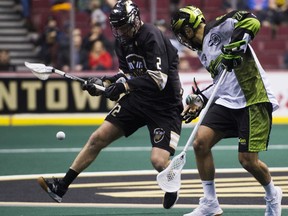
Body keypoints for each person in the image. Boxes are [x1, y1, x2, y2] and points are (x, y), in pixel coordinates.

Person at [37, 0, 183, 209]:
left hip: (165, 105)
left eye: (123, 26)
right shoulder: (122, 41)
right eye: (116, 27)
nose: (119, 31)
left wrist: (123, 87)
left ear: (134, 21)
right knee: (97, 138)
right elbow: (128, 74)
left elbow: (159, 79)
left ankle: (171, 182)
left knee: (159, 161)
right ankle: (61, 187)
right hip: (139, 99)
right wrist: (105, 82)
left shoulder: (151, 35)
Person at [171, 6, 282, 216]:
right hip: (227, 101)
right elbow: (220, 81)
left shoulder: (220, 27)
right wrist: (200, 100)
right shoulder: (202, 52)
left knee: (248, 161)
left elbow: (251, 20)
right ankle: (210, 203)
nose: (181, 38)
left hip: (252, 98)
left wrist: (237, 43)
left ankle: (272, 194)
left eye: (180, 33)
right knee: (200, 143)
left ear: (187, 30)